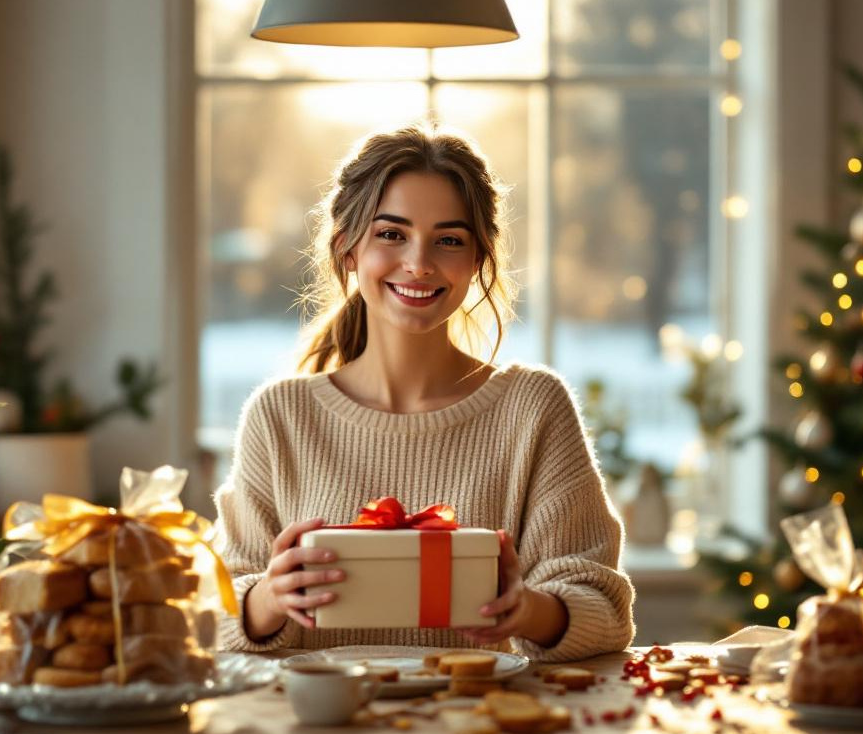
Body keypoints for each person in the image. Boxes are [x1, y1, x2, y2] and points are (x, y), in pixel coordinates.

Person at [213, 124, 635, 661]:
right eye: (392, 234)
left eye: (449, 240)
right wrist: (269, 598)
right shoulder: (279, 416)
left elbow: (605, 612)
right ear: (347, 248)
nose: (419, 263)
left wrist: (527, 608)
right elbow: (219, 613)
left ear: (478, 258)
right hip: (319, 731)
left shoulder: (534, 408)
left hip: (482, 730)